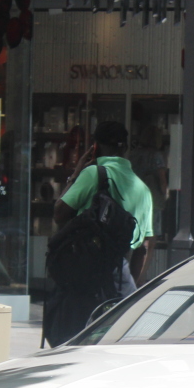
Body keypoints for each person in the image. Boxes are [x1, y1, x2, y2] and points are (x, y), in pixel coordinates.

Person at [54, 120, 154, 296]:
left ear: (95, 147)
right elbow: (143, 247)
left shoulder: (93, 174)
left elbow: (59, 213)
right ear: (125, 148)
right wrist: (130, 286)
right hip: (120, 282)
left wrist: (75, 174)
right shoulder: (144, 190)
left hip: (84, 278)